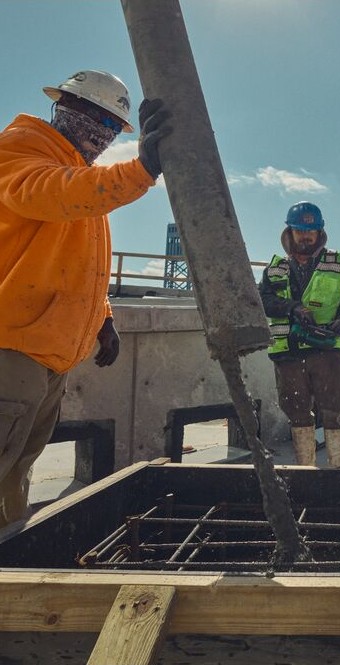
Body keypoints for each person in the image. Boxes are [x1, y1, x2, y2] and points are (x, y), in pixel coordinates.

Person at [0, 70, 170, 528]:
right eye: (98, 120)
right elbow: (46, 195)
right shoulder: (19, 151)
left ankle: (8, 563)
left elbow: (78, 261)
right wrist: (141, 171)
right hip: (11, 349)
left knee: (14, 472)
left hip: (45, 355)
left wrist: (103, 317)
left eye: (113, 127)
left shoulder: (77, 174)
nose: (104, 134)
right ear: (65, 109)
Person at [259, 201, 340, 468]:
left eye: (311, 231)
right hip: (289, 355)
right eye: (300, 231)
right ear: (290, 232)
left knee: (334, 411)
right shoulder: (275, 268)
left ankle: (338, 473)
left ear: (320, 232)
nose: (306, 237)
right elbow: (262, 300)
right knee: (297, 413)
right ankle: (304, 472)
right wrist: (293, 307)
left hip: (326, 352)